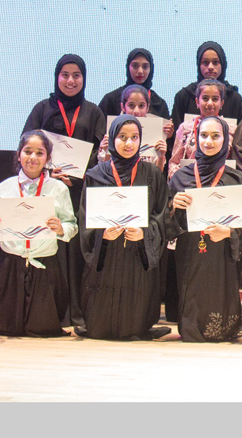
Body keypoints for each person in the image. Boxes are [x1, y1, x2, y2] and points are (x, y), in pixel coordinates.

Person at [22, 53, 106, 333]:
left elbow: (101, 154)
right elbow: (27, 146)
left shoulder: (93, 112)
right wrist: (47, 172)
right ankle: (53, 310)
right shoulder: (42, 108)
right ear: (56, 77)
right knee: (53, 250)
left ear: (84, 78)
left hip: (82, 191)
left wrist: (79, 174)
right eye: (65, 75)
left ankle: (79, 311)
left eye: (76, 75)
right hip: (48, 190)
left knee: (79, 252)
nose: (70, 81)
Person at [77, 114, 170, 340]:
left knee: (135, 322)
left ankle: (137, 326)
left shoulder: (152, 174)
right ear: (112, 138)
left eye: (134, 137)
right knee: (100, 323)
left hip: (136, 255)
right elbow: (85, 216)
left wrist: (144, 233)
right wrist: (101, 234)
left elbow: (161, 216)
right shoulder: (96, 175)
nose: (129, 143)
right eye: (122, 137)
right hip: (107, 254)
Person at [0, 131, 77, 337]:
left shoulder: (58, 188)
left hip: (44, 262)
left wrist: (61, 229)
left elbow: (71, 225)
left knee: (43, 329)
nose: (33, 157)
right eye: (27, 151)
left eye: (39, 153)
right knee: (9, 328)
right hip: (10, 262)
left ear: (48, 158)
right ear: (18, 155)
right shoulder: (5, 187)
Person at [166, 116, 242, 342]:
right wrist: (173, 207)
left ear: (226, 140)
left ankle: (223, 329)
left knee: (219, 296)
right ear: (196, 138)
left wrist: (229, 233)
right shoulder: (180, 178)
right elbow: (166, 226)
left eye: (215, 136)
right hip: (190, 253)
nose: (208, 141)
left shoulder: (236, 179)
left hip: (222, 256)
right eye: (203, 135)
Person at [168, 79, 235, 179]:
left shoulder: (231, 130)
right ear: (197, 102)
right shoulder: (185, 128)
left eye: (215, 99)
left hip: (221, 182)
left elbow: (236, 163)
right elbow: (174, 162)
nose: (210, 103)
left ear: (221, 103)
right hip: (189, 182)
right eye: (205, 98)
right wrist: (181, 179)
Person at [171, 41, 242, 128]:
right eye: (205, 62)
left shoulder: (234, 99)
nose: (210, 67)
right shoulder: (184, 96)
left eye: (215, 62)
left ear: (223, 65)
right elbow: (175, 132)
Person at [98, 84, 169, 170]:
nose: (136, 111)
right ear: (123, 107)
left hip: (146, 178)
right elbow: (104, 172)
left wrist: (161, 156)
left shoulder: (154, 133)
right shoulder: (112, 131)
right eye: (131, 106)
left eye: (141, 106)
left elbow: (158, 174)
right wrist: (107, 151)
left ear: (147, 107)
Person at [97, 48, 172, 120]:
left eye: (145, 66)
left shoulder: (160, 104)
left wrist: (169, 129)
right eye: (135, 66)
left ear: (151, 69)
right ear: (128, 67)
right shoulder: (111, 100)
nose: (140, 71)